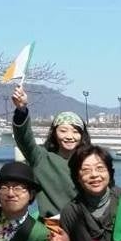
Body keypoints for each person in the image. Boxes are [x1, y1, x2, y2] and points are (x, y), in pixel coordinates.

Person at [11, 86, 90, 217]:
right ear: (54, 134)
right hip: (53, 228)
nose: (70, 136)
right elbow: (24, 139)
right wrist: (21, 110)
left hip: (85, 226)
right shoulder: (42, 158)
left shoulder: (89, 162)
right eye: (63, 131)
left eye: (75, 131)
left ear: (82, 136)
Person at [50, 145, 121, 241]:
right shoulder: (70, 211)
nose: (94, 175)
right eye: (86, 170)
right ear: (77, 177)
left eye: (100, 168)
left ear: (110, 172)